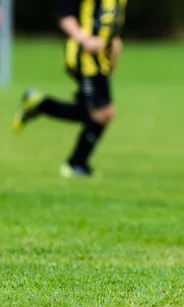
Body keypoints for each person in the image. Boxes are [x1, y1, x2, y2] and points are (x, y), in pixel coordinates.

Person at [12, 0, 127, 178]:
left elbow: (114, 28)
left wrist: (114, 54)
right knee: (103, 113)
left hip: (102, 62)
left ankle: (41, 104)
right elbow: (64, 16)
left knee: (90, 113)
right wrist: (85, 39)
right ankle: (75, 164)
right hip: (85, 59)